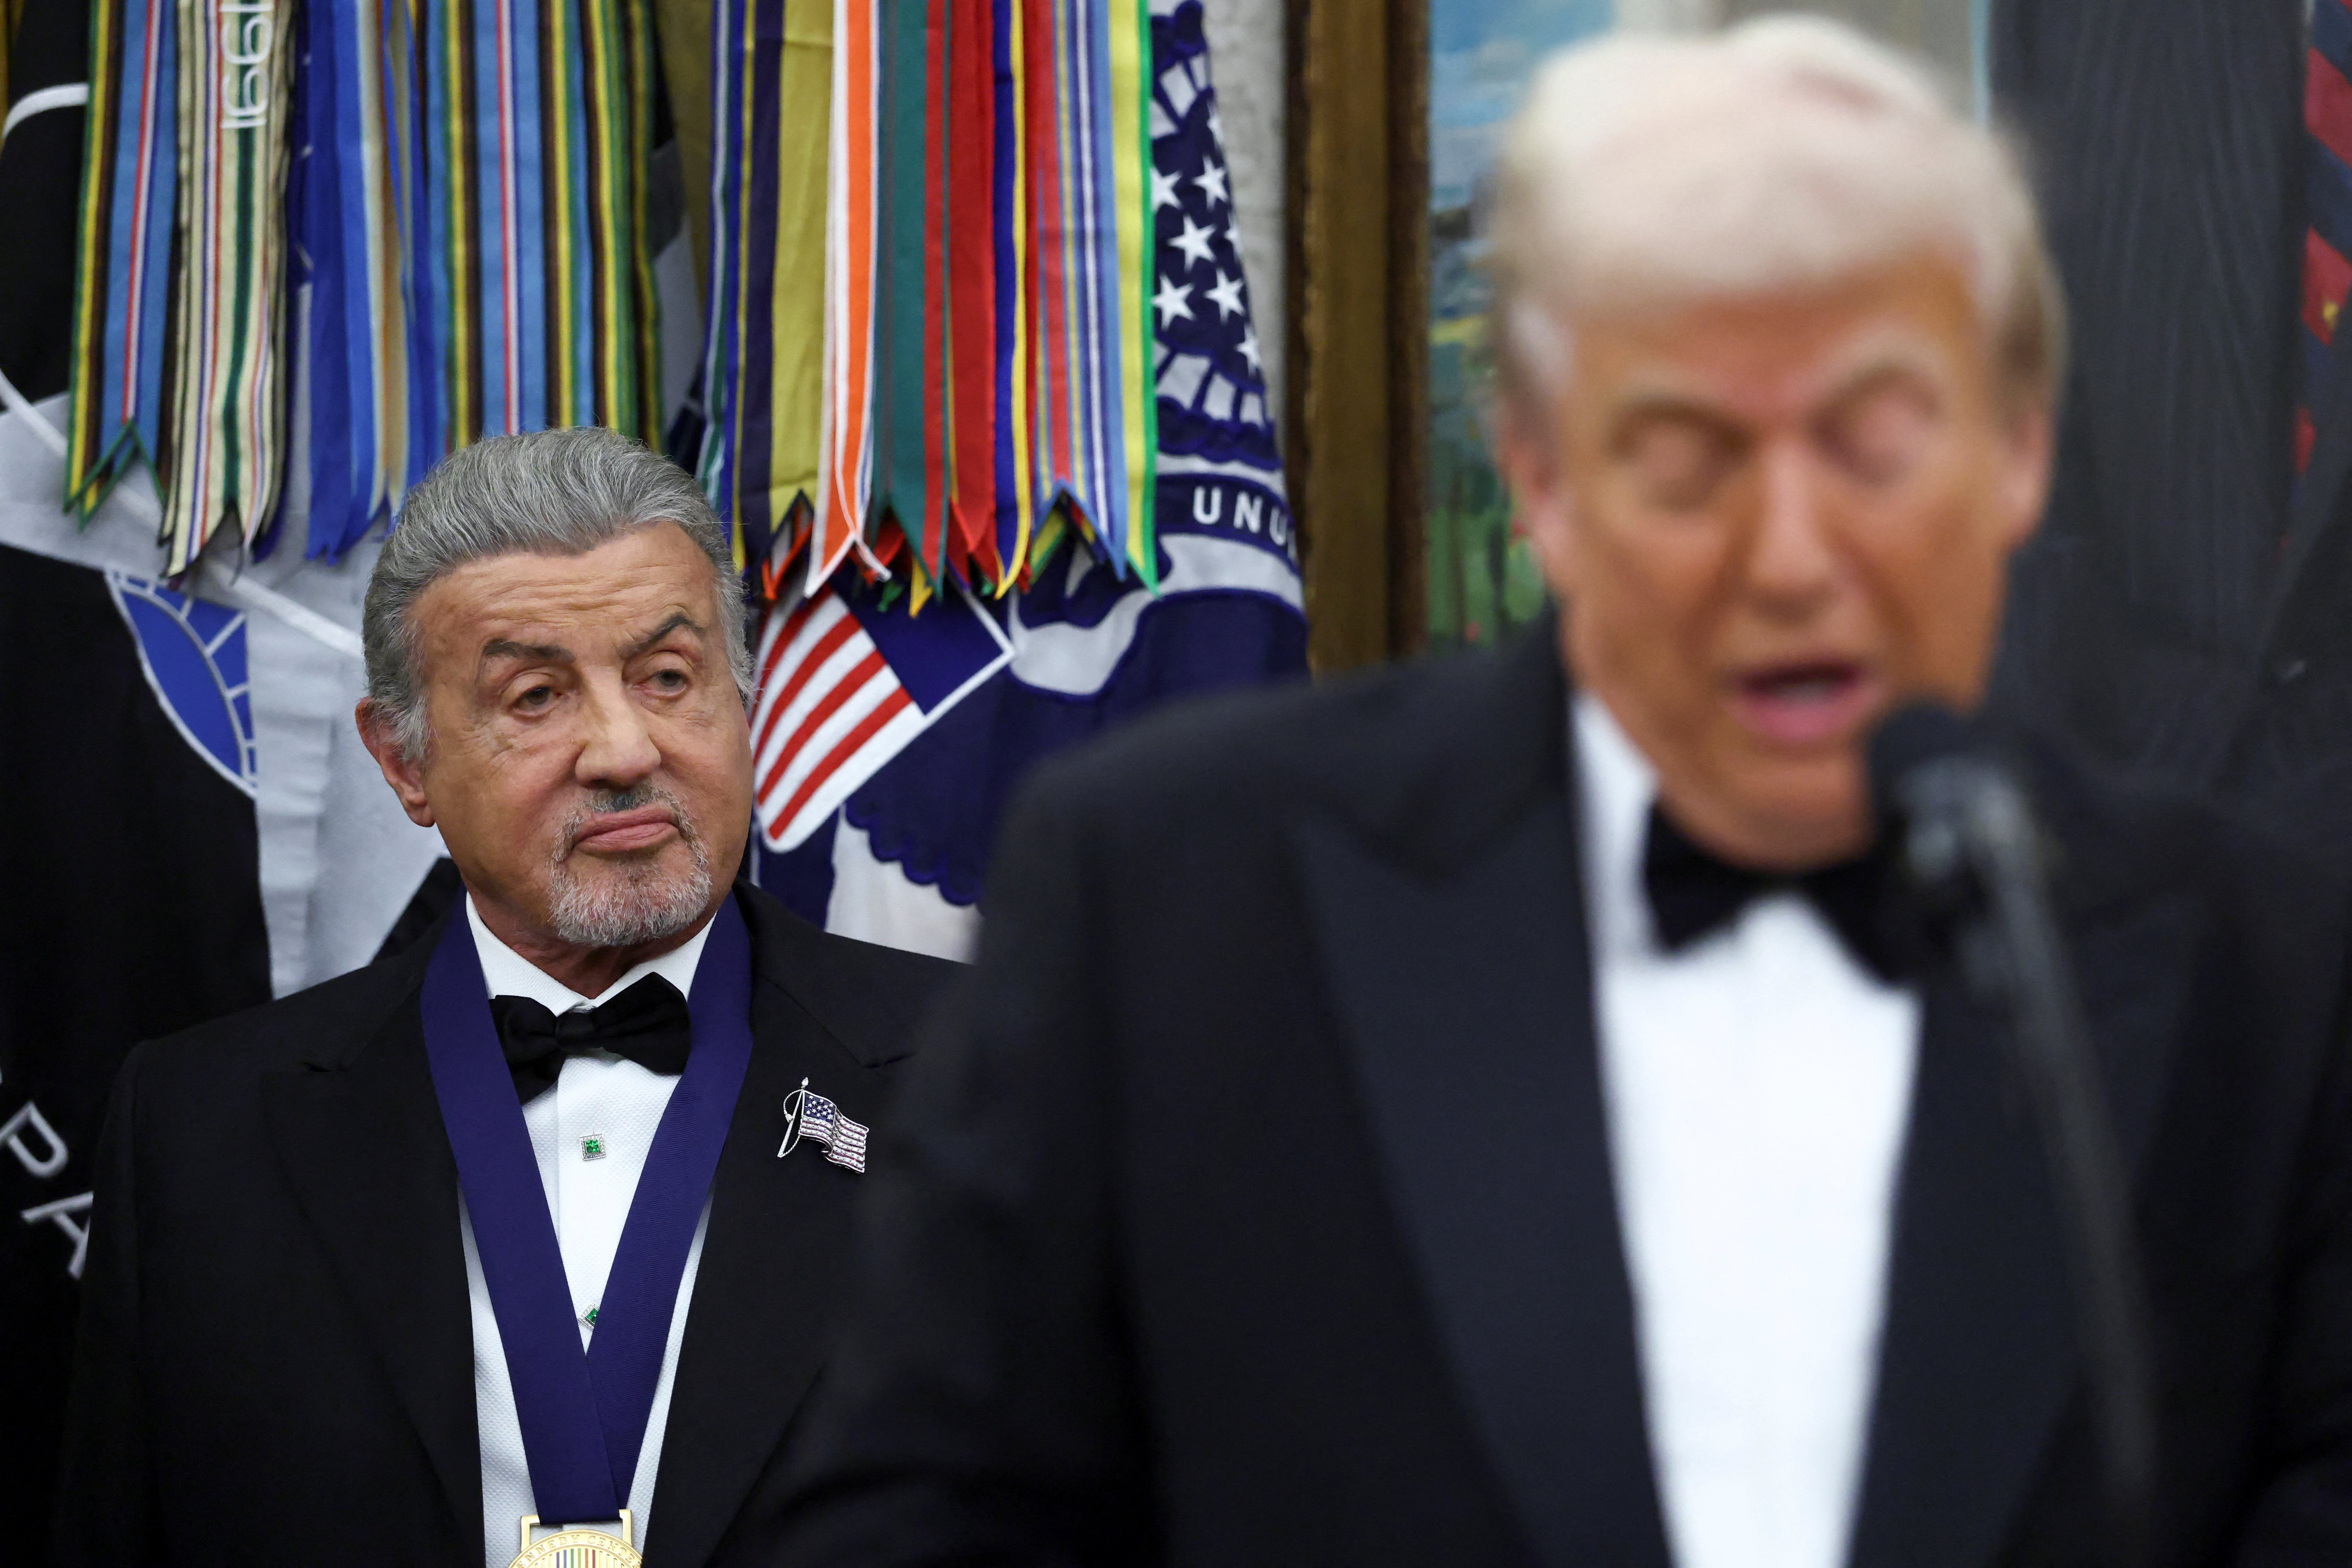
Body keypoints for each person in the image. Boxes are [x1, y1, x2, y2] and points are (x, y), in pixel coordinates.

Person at [770, 20, 2352, 1568]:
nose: (1791, 556)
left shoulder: (2259, 971)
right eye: (1683, 454)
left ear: (2015, 450)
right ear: (1536, 476)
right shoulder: (1171, 908)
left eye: (1875, 441)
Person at [50, 427, 957, 1568]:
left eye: (668, 677)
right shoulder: (197, 1130)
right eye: (535, 696)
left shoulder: (999, 1075)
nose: (624, 748)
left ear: (741, 697)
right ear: (404, 764)